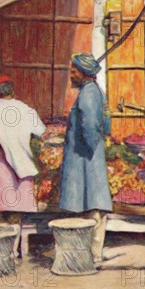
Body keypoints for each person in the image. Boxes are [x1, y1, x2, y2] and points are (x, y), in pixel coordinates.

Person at [59, 53, 113, 263]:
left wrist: (89, 147)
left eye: (74, 70)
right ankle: (89, 254)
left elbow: (90, 125)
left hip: (85, 156)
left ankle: (90, 255)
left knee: (91, 204)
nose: (71, 74)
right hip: (89, 155)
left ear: (83, 73)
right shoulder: (92, 91)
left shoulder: (88, 94)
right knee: (91, 201)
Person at [0, 75, 46, 221]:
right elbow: (40, 131)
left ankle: (0, 240)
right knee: (17, 211)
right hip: (23, 161)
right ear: (13, 90)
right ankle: (17, 239)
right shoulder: (25, 109)